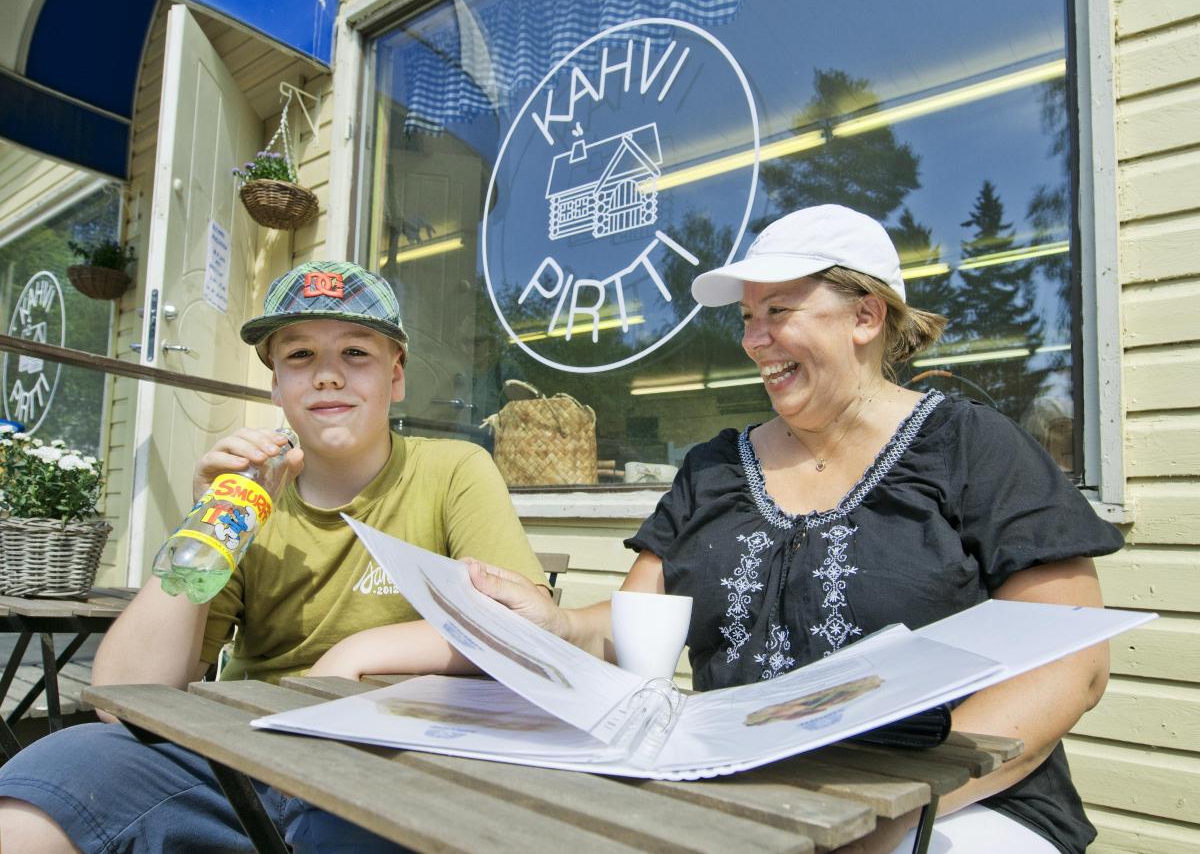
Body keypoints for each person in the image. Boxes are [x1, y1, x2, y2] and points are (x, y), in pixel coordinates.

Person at [460, 205, 1124, 854]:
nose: (753, 340)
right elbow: (635, 622)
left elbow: (1072, 662)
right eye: (748, 318)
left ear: (865, 315)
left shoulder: (972, 446)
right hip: (747, 801)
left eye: (778, 311)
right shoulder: (714, 467)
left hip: (957, 805)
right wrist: (558, 625)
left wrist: (891, 808)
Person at [0, 260, 549, 853]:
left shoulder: (452, 470)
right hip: (247, 751)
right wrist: (209, 526)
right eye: (300, 356)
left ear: (396, 377)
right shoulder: (250, 500)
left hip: (395, 757)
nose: (328, 377)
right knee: (47, 785)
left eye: (357, 353)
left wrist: (358, 651)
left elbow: (520, 626)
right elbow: (127, 692)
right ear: (276, 386)